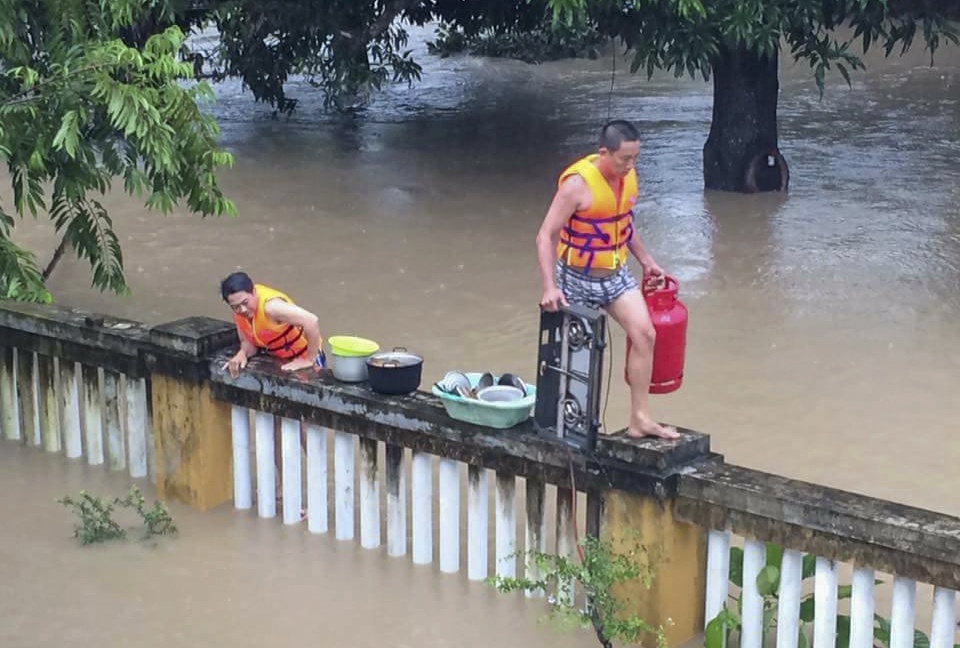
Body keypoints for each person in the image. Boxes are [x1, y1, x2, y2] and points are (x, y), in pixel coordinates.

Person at [535, 119, 679, 440]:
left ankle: (639, 419)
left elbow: (622, 225)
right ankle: (572, 428)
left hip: (615, 275)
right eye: (624, 159)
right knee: (579, 356)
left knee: (645, 334)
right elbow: (545, 235)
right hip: (575, 279)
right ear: (604, 153)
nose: (630, 166)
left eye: (635, 158)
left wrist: (647, 261)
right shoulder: (576, 185)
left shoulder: (627, 179)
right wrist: (549, 287)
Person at [219, 271, 325, 378]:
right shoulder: (238, 314)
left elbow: (311, 321)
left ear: (254, 292)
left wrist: (309, 360)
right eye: (235, 306)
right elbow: (248, 342)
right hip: (282, 361)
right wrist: (242, 353)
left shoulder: (272, 308)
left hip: (306, 357)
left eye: (245, 302)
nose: (242, 310)